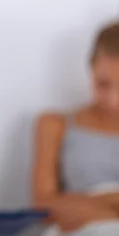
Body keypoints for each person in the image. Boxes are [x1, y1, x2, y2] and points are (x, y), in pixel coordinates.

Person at [32, 21, 119, 235]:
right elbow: (42, 206)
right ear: (90, 69)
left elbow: (59, 205)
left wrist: (80, 206)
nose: (113, 100)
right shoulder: (55, 124)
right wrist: (113, 203)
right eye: (103, 84)